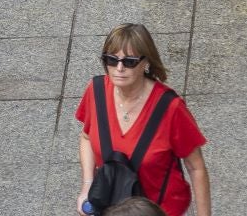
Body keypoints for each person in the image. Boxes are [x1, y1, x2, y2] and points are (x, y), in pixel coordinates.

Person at [73, 24, 213, 216]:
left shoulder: (170, 108)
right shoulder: (96, 91)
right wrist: (87, 186)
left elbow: (195, 167)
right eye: (111, 60)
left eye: (129, 61)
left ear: (146, 62)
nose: (119, 68)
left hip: (159, 210)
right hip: (111, 208)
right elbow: (87, 137)